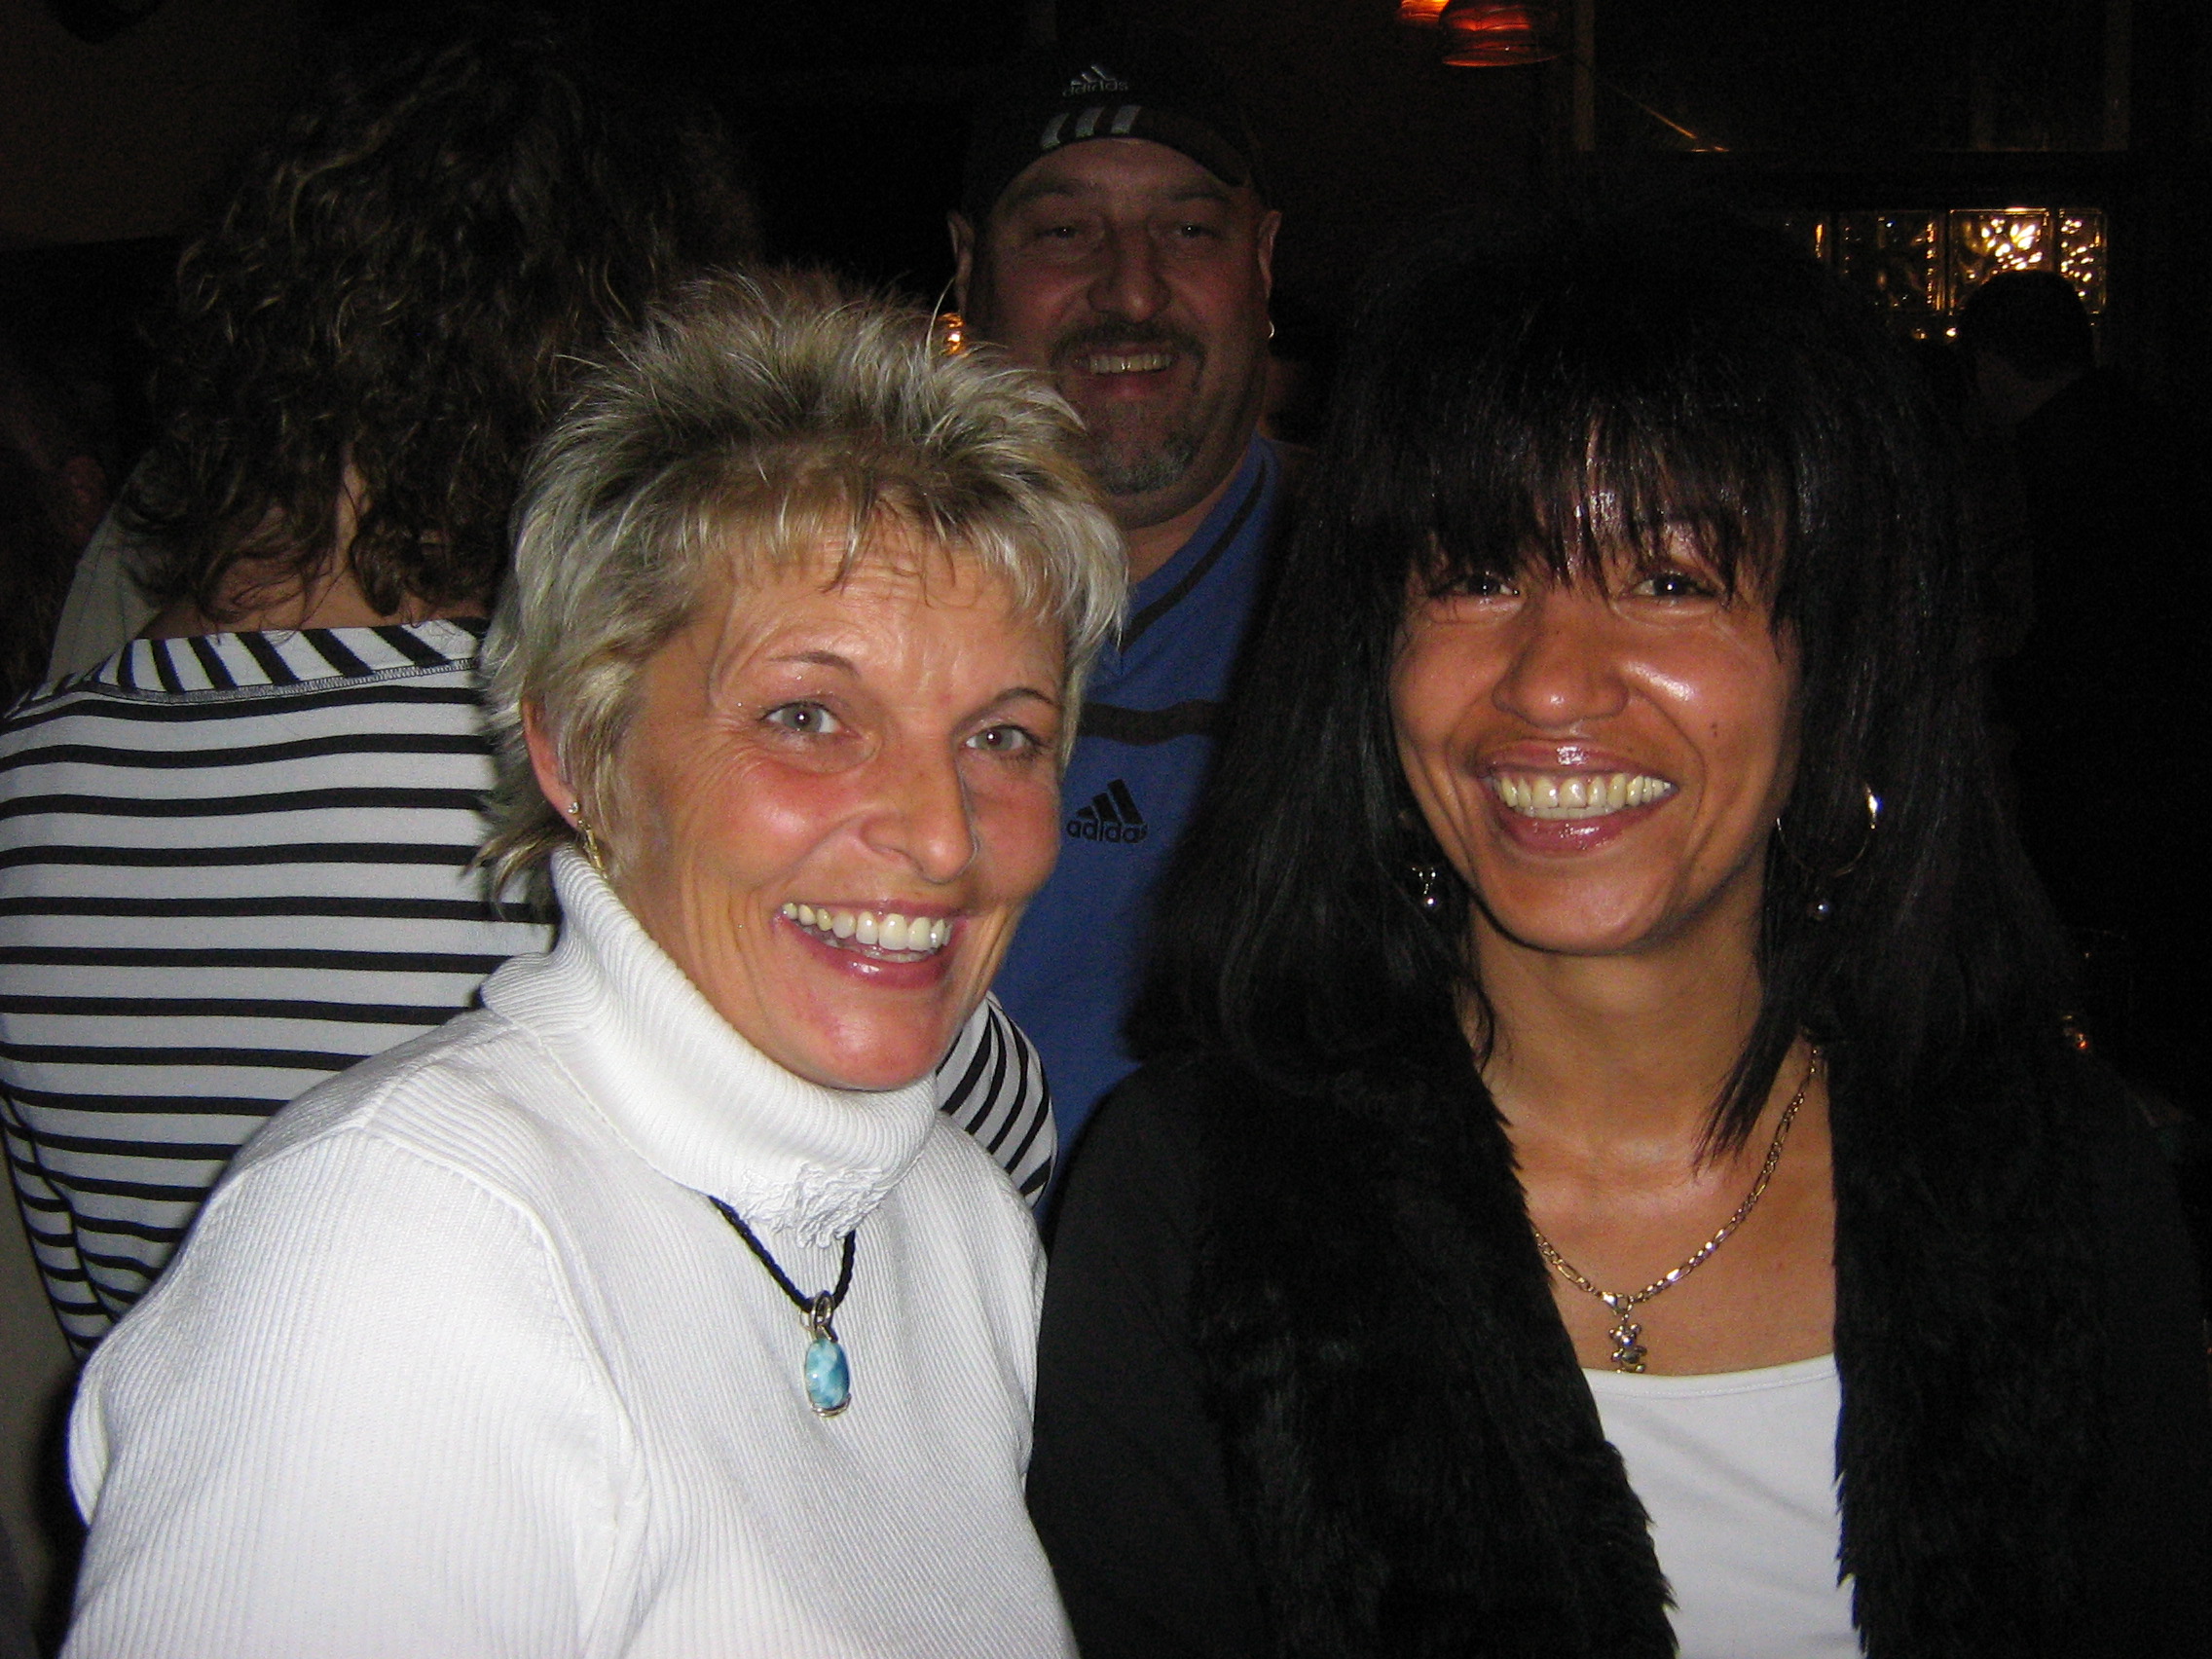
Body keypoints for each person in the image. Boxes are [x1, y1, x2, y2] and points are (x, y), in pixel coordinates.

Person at [1026, 211, 2210, 1658]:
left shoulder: (2059, 1184)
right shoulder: (1191, 1203)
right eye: (1475, 574)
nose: (1552, 683)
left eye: (1669, 580)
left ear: (1833, 660)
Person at [61, 270, 1124, 1657]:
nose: (939, 836)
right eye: (809, 716)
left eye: (1002, 736)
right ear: (577, 747)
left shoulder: (958, 1218)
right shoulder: (396, 1249)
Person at [0, 20, 1056, 1355]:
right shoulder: (640, 760)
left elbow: (103, 1320)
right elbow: (998, 1160)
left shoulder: (33, 785)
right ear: (627, 375)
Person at [948, 24, 1292, 1155]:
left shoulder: (1392, 616)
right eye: (1064, 232)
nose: (1131, 292)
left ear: (1262, 261)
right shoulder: (839, 609)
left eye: (1187, 230)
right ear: (970, 267)